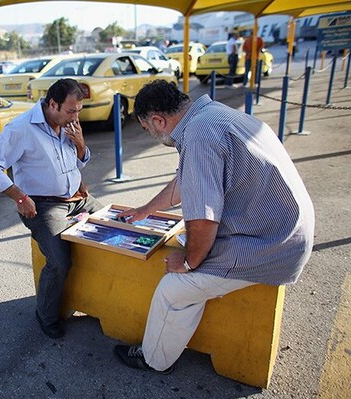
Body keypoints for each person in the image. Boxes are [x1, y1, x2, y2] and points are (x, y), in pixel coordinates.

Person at [113, 80, 315, 374]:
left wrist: (189, 262)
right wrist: (146, 210)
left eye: (148, 129)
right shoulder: (212, 115)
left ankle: (153, 359)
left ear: (158, 120)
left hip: (271, 244)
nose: (153, 135)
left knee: (174, 288)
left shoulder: (197, 137)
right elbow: (187, 180)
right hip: (284, 230)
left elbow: (204, 218)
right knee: (190, 259)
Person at [0, 78, 104, 339]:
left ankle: (97, 300)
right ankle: (46, 315)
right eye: (70, 111)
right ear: (52, 103)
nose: (75, 117)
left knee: (114, 230)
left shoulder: (68, 124)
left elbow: (77, 161)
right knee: (59, 262)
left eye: (78, 111)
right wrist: (19, 197)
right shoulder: (22, 129)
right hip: (44, 206)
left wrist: (80, 145)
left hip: (78, 199)